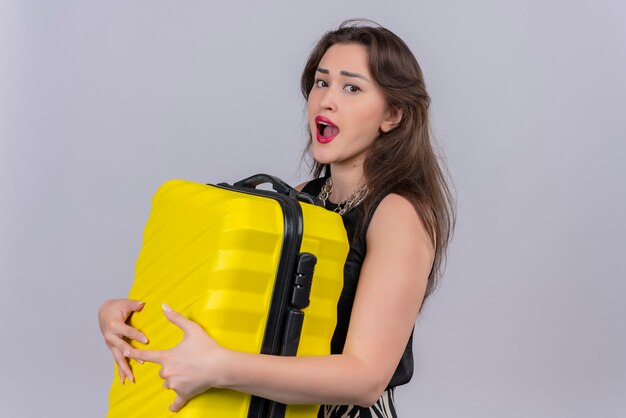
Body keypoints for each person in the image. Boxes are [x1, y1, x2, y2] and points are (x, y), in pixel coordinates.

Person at [99, 19, 455, 418]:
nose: (326, 101)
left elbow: (366, 378)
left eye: (351, 87)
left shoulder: (399, 213)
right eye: (322, 83)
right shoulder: (302, 198)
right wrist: (129, 317)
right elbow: (241, 307)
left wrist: (219, 368)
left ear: (392, 115)